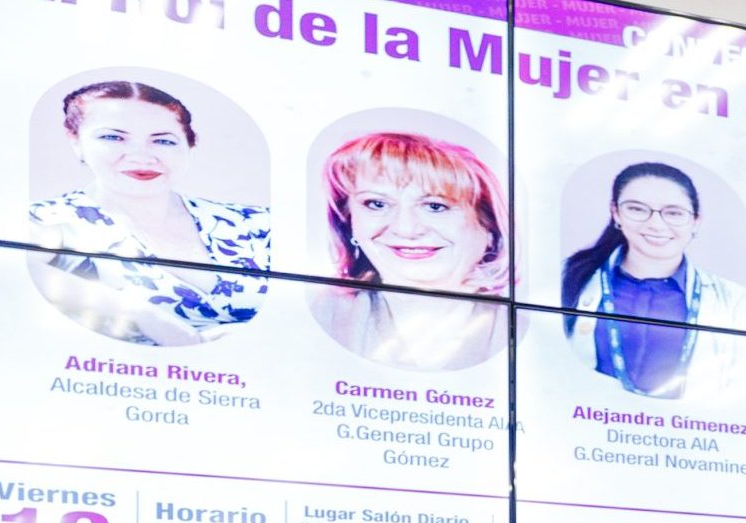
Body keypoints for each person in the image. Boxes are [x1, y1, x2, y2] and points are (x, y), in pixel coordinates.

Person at [29, 80, 271, 346]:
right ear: (75, 141)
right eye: (112, 137)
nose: (141, 156)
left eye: (163, 141)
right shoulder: (48, 220)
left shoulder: (256, 224)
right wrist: (142, 315)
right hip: (120, 382)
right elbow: (7, 270)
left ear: (190, 145)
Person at [559, 162, 746, 399]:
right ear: (616, 213)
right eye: (637, 209)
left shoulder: (735, 302)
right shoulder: (570, 280)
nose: (655, 224)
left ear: (696, 221)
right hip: (587, 426)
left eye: (674, 213)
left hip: (686, 433)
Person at [311, 131, 509, 371]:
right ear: (348, 222)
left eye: (435, 206)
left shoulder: (525, 330)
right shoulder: (316, 311)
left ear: (488, 227)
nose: (406, 229)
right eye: (377, 204)